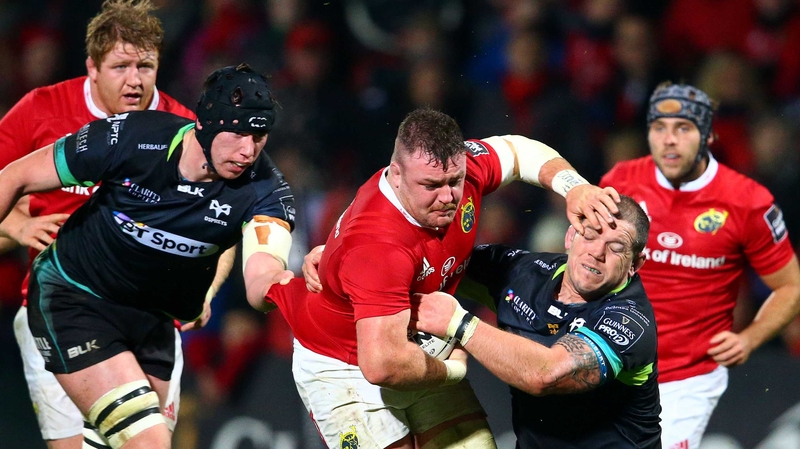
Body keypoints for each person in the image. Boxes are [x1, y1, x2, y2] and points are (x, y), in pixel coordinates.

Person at [264, 107, 621, 449]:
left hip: (415, 343)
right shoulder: (378, 247)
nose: (449, 197)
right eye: (432, 185)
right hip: (345, 366)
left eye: (456, 181)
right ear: (396, 174)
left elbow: (518, 151)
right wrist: (452, 369)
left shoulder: (454, 170)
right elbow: (382, 365)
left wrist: (574, 187)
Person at [0, 63, 295, 449]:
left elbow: (262, 274)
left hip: (155, 321)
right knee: (149, 443)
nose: (247, 150)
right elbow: (15, 176)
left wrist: (285, 285)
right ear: (205, 124)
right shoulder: (131, 137)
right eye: (238, 132)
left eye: (259, 136)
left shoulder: (266, 189)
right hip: (76, 298)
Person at [0, 1, 228, 448]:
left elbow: (226, 224)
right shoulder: (42, 110)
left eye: (146, 65)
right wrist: (17, 226)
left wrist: (208, 288)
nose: (135, 80)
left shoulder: (184, 130)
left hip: (151, 315)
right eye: (121, 66)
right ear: (91, 67)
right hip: (61, 307)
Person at [600, 82, 800, 449]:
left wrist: (750, 338)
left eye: (683, 128)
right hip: (614, 363)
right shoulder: (621, 182)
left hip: (688, 378)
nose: (669, 140)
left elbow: (791, 286)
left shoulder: (747, 202)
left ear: (708, 135)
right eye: (659, 128)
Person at [410, 195, 660, 448]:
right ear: (570, 236)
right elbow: (437, 262)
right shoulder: (524, 273)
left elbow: (548, 374)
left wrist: (459, 324)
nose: (597, 252)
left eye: (616, 248)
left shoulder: (630, 321)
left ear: (635, 264)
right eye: (589, 235)